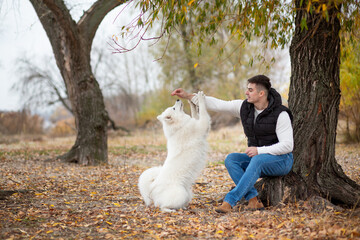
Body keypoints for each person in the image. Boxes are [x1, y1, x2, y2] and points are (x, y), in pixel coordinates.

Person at [171, 75, 294, 213]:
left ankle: (230, 201)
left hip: (282, 161)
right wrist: (188, 96)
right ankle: (253, 200)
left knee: (258, 160)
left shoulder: (280, 114)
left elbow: (288, 146)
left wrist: (259, 150)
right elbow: (219, 104)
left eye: (250, 90)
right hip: (259, 159)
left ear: (261, 93)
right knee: (232, 159)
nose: (246, 92)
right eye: (247, 89)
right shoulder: (245, 107)